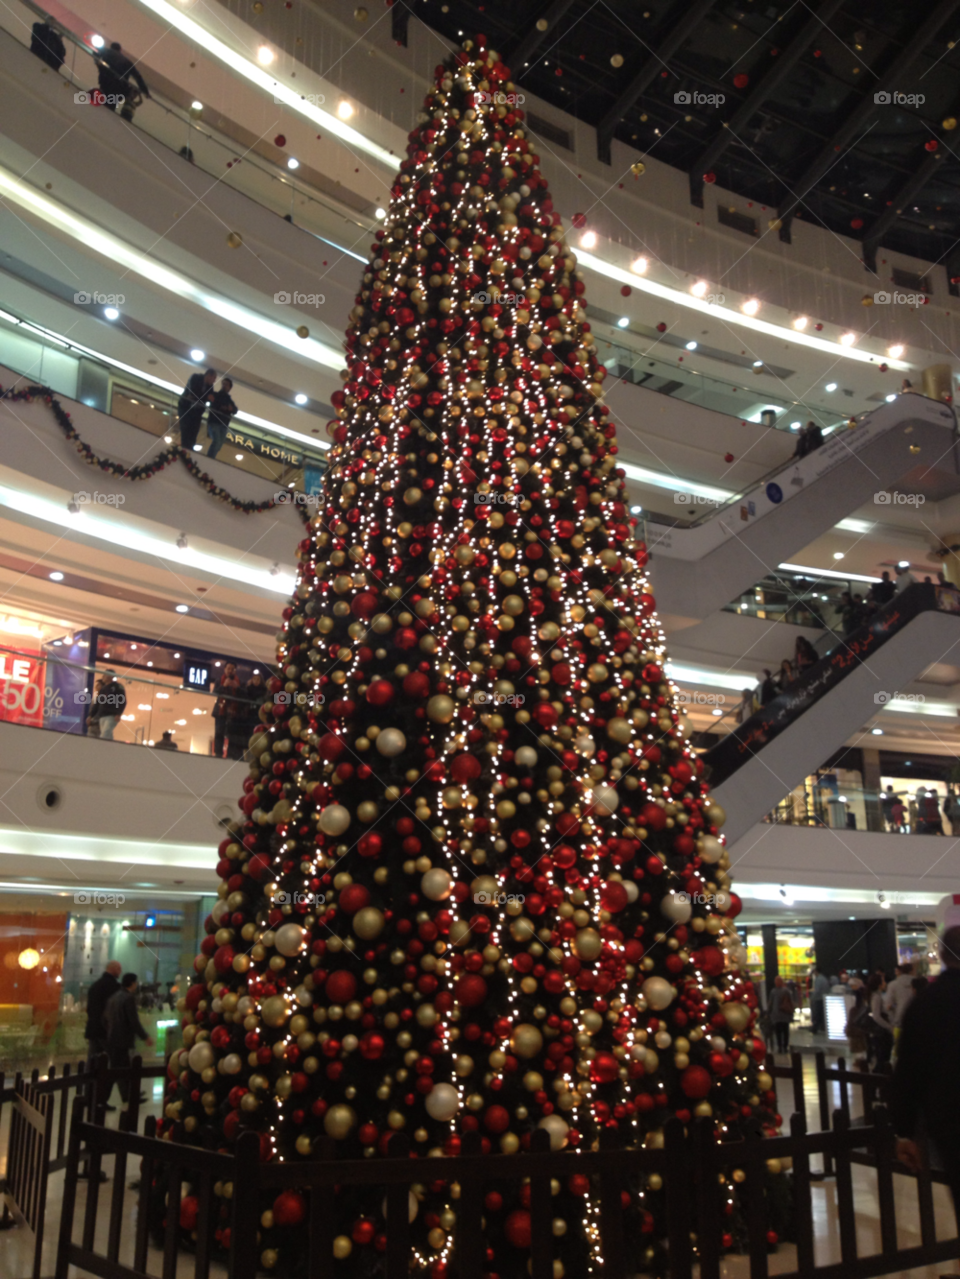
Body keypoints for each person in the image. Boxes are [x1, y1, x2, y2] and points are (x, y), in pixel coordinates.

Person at [891, 926, 960, 1224]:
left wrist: (904, 1131)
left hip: (950, 1120)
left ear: (942, 955)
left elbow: (908, 1070)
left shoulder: (926, 1003)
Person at [105, 973, 154, 1104]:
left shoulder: (114, 997)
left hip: (113, 1038)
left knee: (119, 1068)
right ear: (132, 983)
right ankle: (103, 1098)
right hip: (123, 1039)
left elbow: (106, 1018)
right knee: (118, 1070)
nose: (136, 985)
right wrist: (145, 1036)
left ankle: (129, 1095)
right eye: (135, 983)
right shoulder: (128, 998)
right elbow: (133, 1021)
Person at [95, 42, 150, 121]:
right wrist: (146, 92)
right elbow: (138, 77)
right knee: (111, 105)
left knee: (104, 102)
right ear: (120, 50)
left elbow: (95, 55)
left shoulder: (106, 51)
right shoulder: (127, 62)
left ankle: (100, 117)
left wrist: (99, 66)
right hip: (119, 88)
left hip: (105, 82)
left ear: (111, 47)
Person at [84, 960, 122, 1068]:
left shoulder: (94, 986)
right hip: (107, 1030)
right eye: (119, 969)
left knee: (92, 1060)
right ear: (113, 969)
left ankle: (90, 1078)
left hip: (93, 1028)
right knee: (113, 1060)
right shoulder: (115, 987)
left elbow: (89, 1009)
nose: (120, 972)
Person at [176, 368, 217, 452]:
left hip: (197, 412)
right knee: (185, 430)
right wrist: (207, 397)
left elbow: (207, 397)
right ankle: (185, 450)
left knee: (194, 433)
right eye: (213, 378)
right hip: (186, 408)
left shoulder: (210, 386)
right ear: (209, 375)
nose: (214, 381)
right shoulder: (195, 377)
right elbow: (193, 392)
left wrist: (209, 398)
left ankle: (189, 450)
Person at [865, 972, 894, 1069]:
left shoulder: (874, 995)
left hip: (878, 1033)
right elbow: (876, 1016)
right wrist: (889, 1027)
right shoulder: (876, 997)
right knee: (883, 1059)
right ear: (879, 984)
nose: (885, 983)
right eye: (883, 981)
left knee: (881, 1058)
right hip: (881, 1033)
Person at [205, 377, 237, 460]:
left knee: (219, 444)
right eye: (223, 383)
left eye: (226, 384)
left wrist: (230, 409)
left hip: (223, 424)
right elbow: (214, 405)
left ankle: (210, 458)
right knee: (217, 442)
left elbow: (235, 410)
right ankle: (210, 459)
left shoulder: (228, 400)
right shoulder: (216, 395)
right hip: (214, 422)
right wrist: (226, 408)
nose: (224, 385)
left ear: (229, 387)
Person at [212, 663, 239, 758]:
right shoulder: (219, 680)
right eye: (228, 668)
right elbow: (215, 692)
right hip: (220, 710)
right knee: (219, 732)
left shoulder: (239, 682)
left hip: (233, 712)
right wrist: (224, 685)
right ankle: (218, 753)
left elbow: (243, 695)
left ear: (235, 671)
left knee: (232, 733)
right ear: (224, 669)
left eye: (232, 669)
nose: (230, 671)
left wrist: (237, 688)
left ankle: (231, 754)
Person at [93, 671, 126, 740]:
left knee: (105, 733)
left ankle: (101, 745)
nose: (103, 677)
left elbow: (122, 701)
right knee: (107, 734)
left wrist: (118, 713)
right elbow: (98, 702)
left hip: (111, 715)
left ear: (110, 676)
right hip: (102, 715)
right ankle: (110, 745)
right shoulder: (103, 688)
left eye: (105, 675)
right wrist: (92, 715)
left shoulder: (117, 687)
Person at [885, 962, 916, 1032]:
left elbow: (888, 1006)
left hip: (899, 1021)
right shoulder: (918, 984)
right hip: (917, 1021)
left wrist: (894, 1021)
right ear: (912, 971)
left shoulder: (892, 985)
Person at [769, 976, 794, 1052]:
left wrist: (769, 1013)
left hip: (776, 1015)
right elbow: (790, 1002)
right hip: (785, 1015)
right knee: (785, 1031)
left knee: (778, 1032)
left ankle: (779, 1047)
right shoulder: (786, 991)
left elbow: (770, 1003)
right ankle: (785, 1047)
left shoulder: (773, 991)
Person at [810, 966, 831, 1034]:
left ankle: (815, 1028)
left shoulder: (818, 979)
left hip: (819, 999)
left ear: (816, 971)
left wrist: (812, 998)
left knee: (817, 1014)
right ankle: (821, 1028)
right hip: (823, 998)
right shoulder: (823, 978)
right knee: (822, 1014)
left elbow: (817, 990)